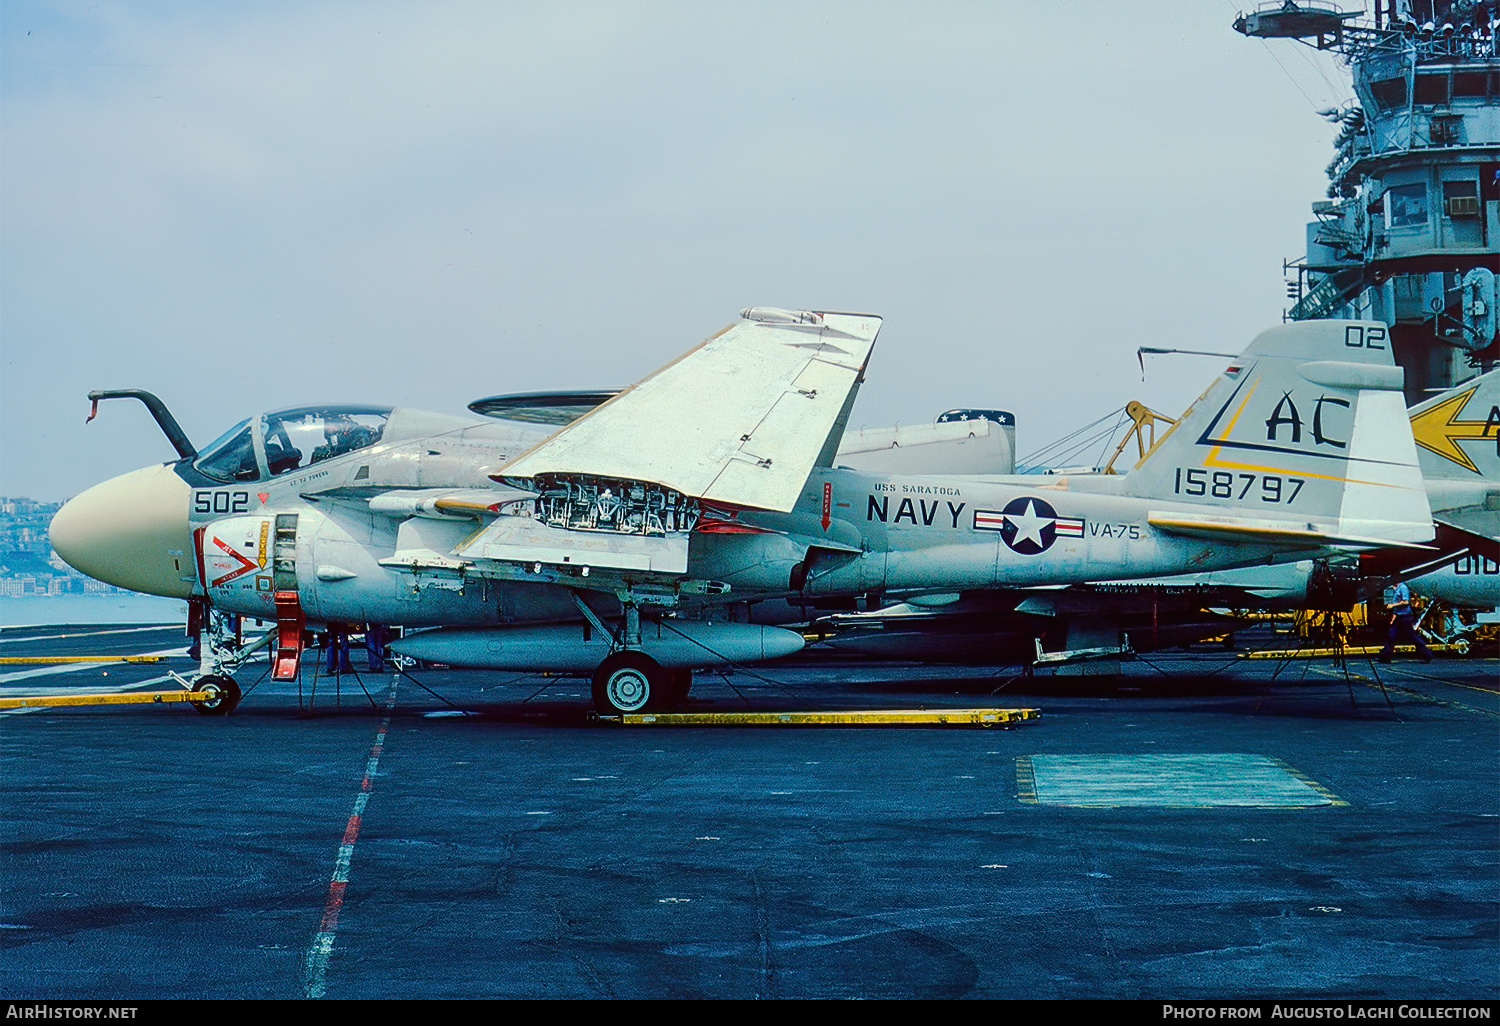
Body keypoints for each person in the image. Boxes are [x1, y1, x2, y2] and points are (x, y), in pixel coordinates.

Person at [1378, 578, 1433, 663]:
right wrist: (1393, 618)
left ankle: (1427, 654)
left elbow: (1406, 602)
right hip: (1400, 617)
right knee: (1392, 636)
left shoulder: (1403, 588)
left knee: (1412, 636)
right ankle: (1385, 656)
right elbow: (1397, 608)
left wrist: (1392, 605)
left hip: (1405, 617)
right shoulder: (1396, 589)